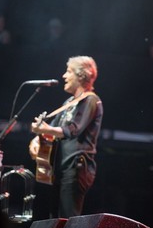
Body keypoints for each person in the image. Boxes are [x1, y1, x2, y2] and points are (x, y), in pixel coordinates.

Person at [29, 56, 103, 218]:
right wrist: (38, 138)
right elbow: (52, 130)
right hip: (59, 168)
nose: (64, 76)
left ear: (81, 75)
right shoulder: (69, 102)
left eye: (69, 71)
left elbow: (73, 130)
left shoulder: (91, 100)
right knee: (54, 219)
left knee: (68, 220)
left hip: (76, 168)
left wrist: (46, 129)